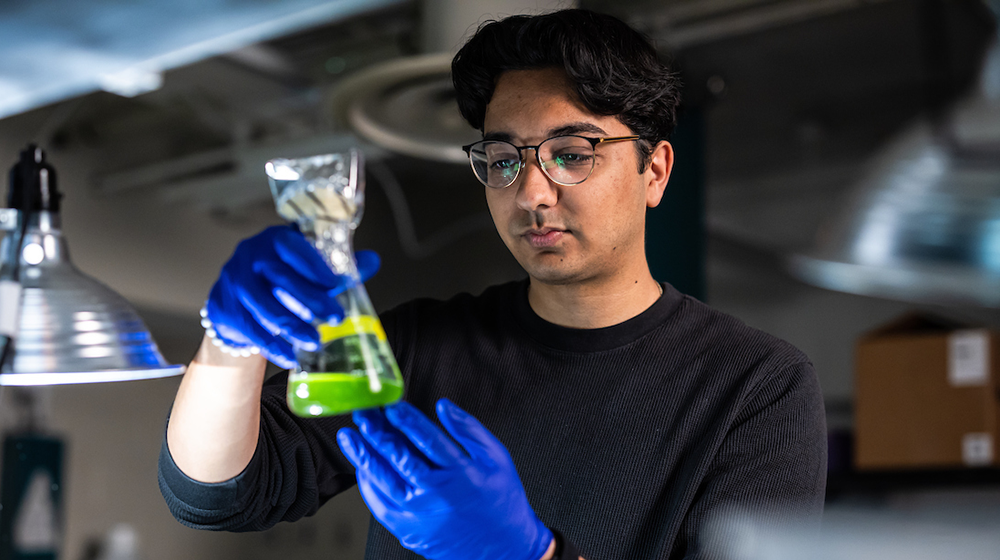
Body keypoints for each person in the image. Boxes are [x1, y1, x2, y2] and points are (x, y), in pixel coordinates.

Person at [158, 9, 827, 560]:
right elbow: (218, 493)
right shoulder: (419, 346)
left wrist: (527, 554)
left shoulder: (756, 387)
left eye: (572, 154)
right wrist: (231, 345)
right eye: (505, 159)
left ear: (654, 172)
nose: (531, 191)